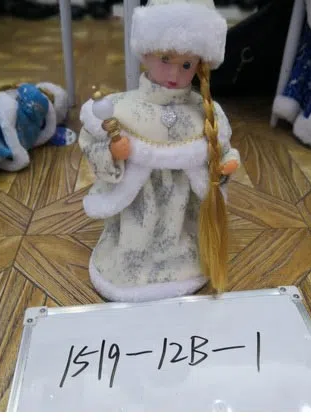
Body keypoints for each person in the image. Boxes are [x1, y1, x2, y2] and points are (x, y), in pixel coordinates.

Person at [78, 0, 240, 302]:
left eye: (187, 65)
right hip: (138, 208)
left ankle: (180, 259)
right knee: (136, 238)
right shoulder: (122, 108)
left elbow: (223, 149)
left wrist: (225, 165)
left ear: (200, 65)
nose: (175, 73)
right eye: (166, 59)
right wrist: (114, 153)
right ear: (146, 53)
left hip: (183, 213)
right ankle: (134, 262)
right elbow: (92, 143)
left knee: (182, 236)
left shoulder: (205, 113)